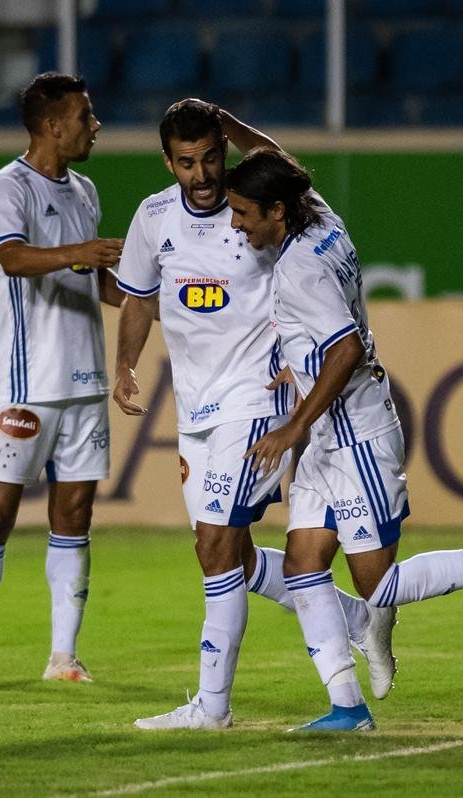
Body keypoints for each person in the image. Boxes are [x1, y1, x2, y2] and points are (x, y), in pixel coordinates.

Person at [224, 148, 463, 732]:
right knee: (302, 564)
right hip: (329, 443)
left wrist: (295, 425)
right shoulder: (323, 220)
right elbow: (282, 162)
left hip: (358, 436)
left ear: (278, 211)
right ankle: (346, 705)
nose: (236, 224)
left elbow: (345, 349)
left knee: (379, 585)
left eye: (243, 212)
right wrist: (226, 123)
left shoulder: (298, 270)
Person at [113, 100, 396, 731]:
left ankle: (211, 709)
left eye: (212, 156)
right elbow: (136, 298)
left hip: (258, 402)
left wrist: (293, 399)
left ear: (226, 151)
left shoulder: (264, 215)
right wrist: (125, 364)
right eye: (187, 162)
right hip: (196, 410)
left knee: (215, 547)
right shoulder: (152, 218)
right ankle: (349, 618)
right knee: (226, 555)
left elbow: (289, 176)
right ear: (169, 163)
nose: (204, 173)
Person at [0, 72, 125, 686]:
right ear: (51, 125)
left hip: (84, 382)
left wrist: (172, 300)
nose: (95, 126)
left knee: (76, 514)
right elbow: (10, 257)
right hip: (25, 384)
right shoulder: (6, 187)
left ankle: (63, 658)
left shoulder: (85, 190)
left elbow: (102, 285)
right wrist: (78, 253)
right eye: (86, 116)